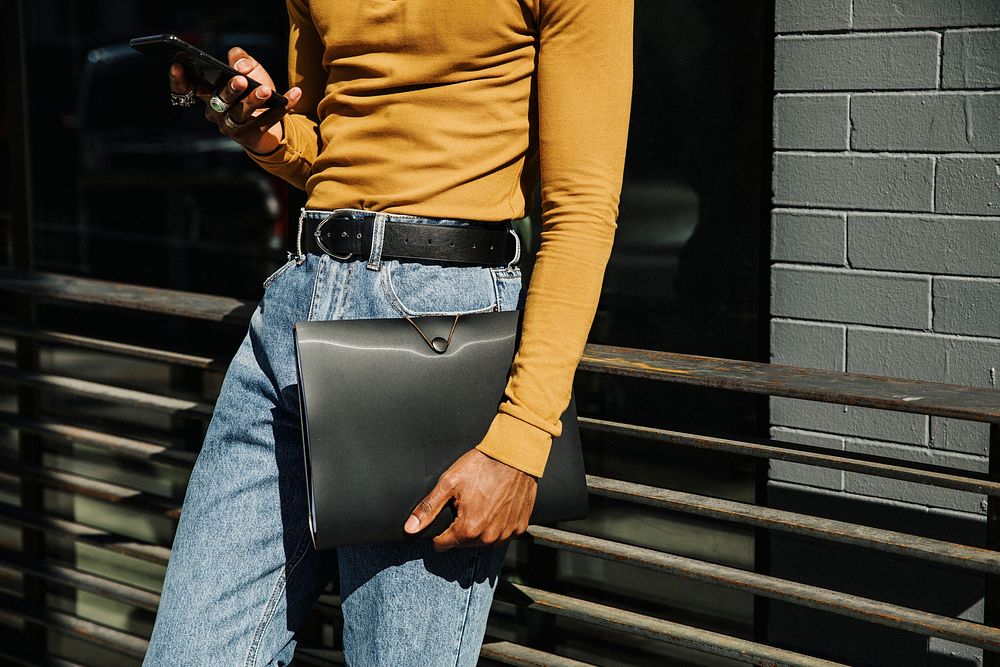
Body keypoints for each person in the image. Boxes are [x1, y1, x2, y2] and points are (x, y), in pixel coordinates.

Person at [143, 1, 632, 664]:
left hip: (436, 326)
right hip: (299, 302)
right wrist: (269, 134)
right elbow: (331, 144)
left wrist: (522, 438)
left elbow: (581, 210)